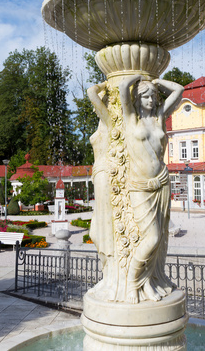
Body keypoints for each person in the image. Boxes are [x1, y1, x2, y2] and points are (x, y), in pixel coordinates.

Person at [119, 75, 184, 303]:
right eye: (145, 96)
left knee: (161, 237)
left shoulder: (158, 118)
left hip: (161, 183)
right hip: (140, 186)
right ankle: (131, 282)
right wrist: (138, 78)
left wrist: (157, 82)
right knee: (152, 237)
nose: (150, 100)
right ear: (137, 99)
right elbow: (123, 87)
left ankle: (149, 283)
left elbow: (179, 89)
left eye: (152, 96)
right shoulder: (131, 119)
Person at [87, 81, 116, 300]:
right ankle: (108, 275)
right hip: (99, 176)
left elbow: (90, 93)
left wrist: (104, 85)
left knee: (101, 231)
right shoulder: (101, 123)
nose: (95, 107)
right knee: (97, 231)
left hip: (106, 175)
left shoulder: (109, 120)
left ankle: (113, 277)